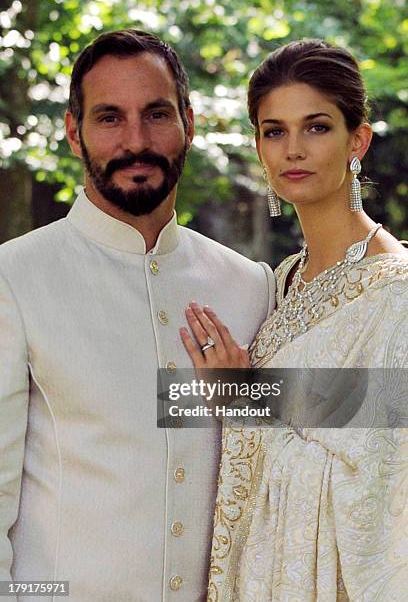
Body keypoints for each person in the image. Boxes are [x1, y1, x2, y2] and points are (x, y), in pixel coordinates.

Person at [0, 29, 276, 601]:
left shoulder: (250, 284)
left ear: (188, 124)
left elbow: (336, 431)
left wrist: (247, 395)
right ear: (75, 132)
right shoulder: (15, 277)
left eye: (156, 114)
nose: (135, 141)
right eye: (109, 118)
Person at [180, 39, 408, 600]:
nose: (293, 150)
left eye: (317, 127)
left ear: (358, 140)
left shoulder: (396, 294)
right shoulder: (280, 280)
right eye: (273, 131)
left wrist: (244, 400)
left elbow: (381, 492)